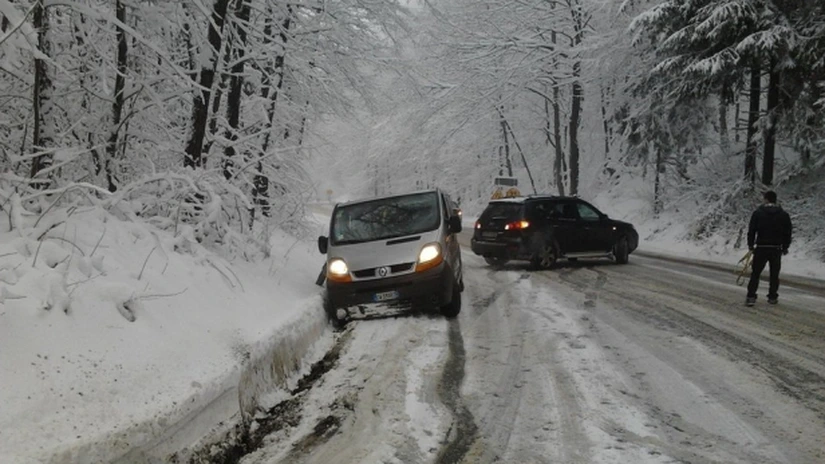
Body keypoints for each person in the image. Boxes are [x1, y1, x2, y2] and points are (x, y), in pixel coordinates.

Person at [746, 190, 792, 306]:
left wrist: (751, 245)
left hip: (761, 247)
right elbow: (788, 232)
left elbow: (752, 231)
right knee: (774, 274)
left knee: (756, 273)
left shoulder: (758, 213)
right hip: (776, 248)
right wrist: (785, 246)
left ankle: (751, 296)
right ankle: (772, 296)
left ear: (766, 199)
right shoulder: (783, 215)